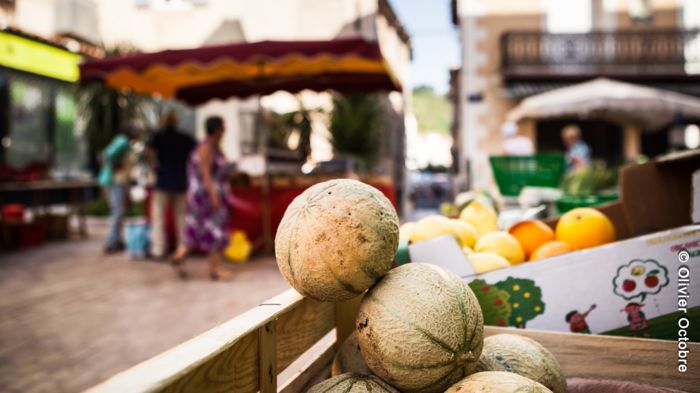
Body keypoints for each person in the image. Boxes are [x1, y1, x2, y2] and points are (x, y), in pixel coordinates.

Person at [170, 116, 232, 280]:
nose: (224, 131)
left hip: (202, 195)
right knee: (214, 230)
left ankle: (179, 255)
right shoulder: (207, 148)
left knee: (195, 228)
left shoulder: (212, 147)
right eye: (222, 128)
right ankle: (215, 269)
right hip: (205, 196)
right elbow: (205, 173)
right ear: (217, 129)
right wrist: (213, 196)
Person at [147, 112, 196, 260]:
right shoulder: (184, 137)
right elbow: (196, 151)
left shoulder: (159, 136)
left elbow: (148, 150)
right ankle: (182, 248)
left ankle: (158, 250)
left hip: (163, 180)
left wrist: (154, 165)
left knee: (158, 217)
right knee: (181, 216)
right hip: (180, 181)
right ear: (176, 122)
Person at [98, 124, 139, 254]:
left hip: (120, 181)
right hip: (116, 180)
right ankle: (111, 242)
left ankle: (117, 240)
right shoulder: (122, 140)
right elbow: (107, 154)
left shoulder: (125, 143)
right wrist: (116, 164)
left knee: (120, 211)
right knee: (118, 211)